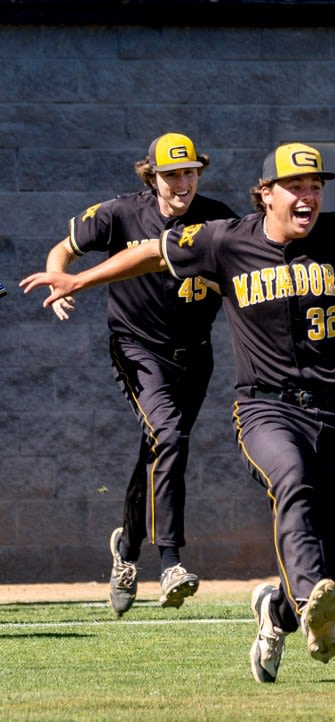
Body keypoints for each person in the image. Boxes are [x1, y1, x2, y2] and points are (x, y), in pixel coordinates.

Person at [21, 141, 335, 683]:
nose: (308, 196)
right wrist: (78, 279)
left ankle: (277, 610)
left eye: (315, 186)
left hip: (334, 412)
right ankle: (306, 600)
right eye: (295, 187)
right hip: (265, 408)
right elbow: (150, 252)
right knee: (294, 482)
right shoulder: (224, 239)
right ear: (266, 194)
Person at [41, 132, 238, 617]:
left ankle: (127, 548)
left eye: (190, 172)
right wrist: (61, 283)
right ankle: (170, 561)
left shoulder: (219, 217)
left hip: (194, 354)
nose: (182, 182)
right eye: (171, 174)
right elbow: (63, 250)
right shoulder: (120, 213)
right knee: (168, 436)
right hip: (137, 348)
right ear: (151, 177)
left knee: (159, 447)